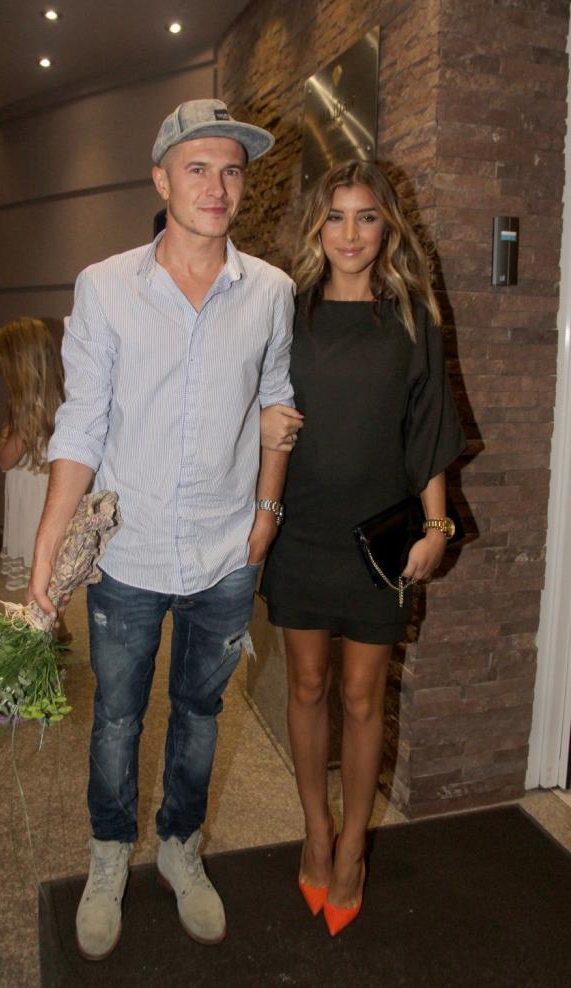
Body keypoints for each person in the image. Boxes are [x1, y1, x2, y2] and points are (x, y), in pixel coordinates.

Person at [27, 99, 295, 958]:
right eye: (197, 168)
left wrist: (265, 516)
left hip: (227, 550)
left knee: (200, 712)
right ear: (161, 180)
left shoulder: (271, 292)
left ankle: (180, 845)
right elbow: (81, 424)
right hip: (130, 550)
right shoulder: (106, 287)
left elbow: (278, 403)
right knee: (116, 718)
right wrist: (46, 550)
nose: (218, 186)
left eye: (232, 170)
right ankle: (110, 853)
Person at [260, 160, 465, 936]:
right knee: (307, 683)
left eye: (367, 217)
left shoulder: (411, 316)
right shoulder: (287, 312)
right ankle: (315, 830)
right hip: (303, 530)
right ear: (318, 226)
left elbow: (429, 427)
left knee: (361, 694)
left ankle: (352, 848)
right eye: (336, 216)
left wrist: (437, 527)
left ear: (388, 228)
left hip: (379, 537)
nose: (350, 234)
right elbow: (248, 400)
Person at [0, 317, 65, 599]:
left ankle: (43, 622)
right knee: (42, 586)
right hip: (30, 497)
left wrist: (21, 428)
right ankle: (46, 621)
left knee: (40, 582)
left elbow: (5, 460)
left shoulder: (37, 411)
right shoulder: (32, 406)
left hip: (36, 503)